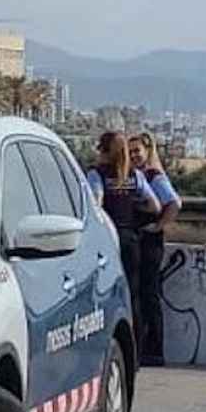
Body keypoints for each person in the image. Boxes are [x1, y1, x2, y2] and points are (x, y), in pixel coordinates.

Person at [85, 131, 161, 343]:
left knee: (104, 295)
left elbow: (95, 204)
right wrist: (134, 208)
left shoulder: (96, 174)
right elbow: (154, 205)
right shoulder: (134, 175)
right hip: (131, 241)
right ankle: (135, 346)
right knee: (133, 294)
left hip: (109, 241)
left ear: (105, 151)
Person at [131, 131, 182, 366]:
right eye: (129, 152)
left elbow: (173, 203)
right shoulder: (133, 176)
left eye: (137, 151)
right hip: (137, 240)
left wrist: (158, 225)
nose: (133, 156)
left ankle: (154, 348)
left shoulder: (154, 177)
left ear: (147, 151)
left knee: (148, 294)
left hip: (149, 243)